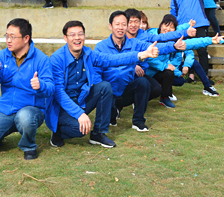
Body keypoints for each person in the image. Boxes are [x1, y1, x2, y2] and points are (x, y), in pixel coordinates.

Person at [46, 20, 160, 149]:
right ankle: (57, 132)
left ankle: (98, 134)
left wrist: (141, 55)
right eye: (72, 35)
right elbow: (58, 93)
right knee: (79, 130)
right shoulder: (57, 59)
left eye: (80, 34)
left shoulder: (88, 54)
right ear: (65, 38)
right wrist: (79, 114)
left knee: (104, 87)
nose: (77, 38)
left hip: (81, 99)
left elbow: (112, 59)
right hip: (62, 106)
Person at [0, 18, 54, 160]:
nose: (8, 40)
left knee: (24, 117)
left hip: (30, 110)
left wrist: (40, 85)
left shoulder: (41, 59)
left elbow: (51, 88)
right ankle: (8, 128)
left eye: (12, 36)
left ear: (26, 38)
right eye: (7, 36)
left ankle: (29, 147)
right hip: (6, 109)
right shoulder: (3, 55)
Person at [94, 11, 182, 130]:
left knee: (143, 82)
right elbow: (96, 72)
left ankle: (138, 121)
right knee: (110, 116)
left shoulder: (134, 43)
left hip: (126, 90)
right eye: (117, 24)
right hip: (110, 92)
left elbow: (157, 47)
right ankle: (112, 111)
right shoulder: (101, 46)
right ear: (110, 26)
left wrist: (173, 46)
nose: (121, 28)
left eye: (123, 24)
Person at [145, 15, 224, 104]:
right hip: (153, 70)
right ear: (160, 25)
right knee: (163, 79)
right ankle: (159, 92)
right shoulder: (152, 37)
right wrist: (177, 72)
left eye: (171, 27)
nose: (168, 29)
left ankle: (207, 87)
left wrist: (210, 40)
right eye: (166, 25)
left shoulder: (174, 39)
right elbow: (153, 61)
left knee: (180, 77)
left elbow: (190, 44)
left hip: (168, 68)